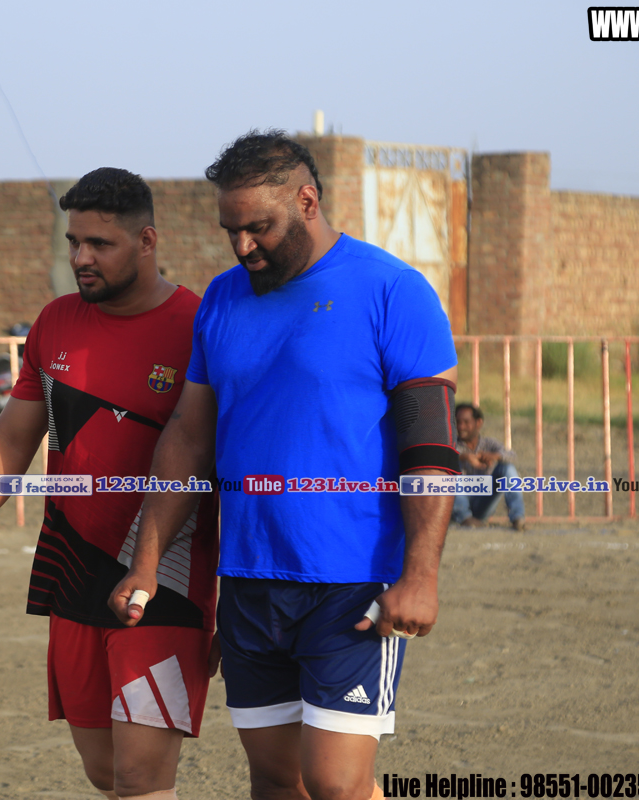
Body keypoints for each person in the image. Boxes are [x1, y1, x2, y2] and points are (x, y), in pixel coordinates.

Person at [109, 131, 460, 800]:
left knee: (336, 783)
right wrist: (146, 561)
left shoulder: (392, 289)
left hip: (352, 580)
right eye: (231, 230)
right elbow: (188, 436)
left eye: (258, 228)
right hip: (248, 579)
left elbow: (430, 444)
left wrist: (421, 575)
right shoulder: (223, 298)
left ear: (307, 201)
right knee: (275, 778)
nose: (243, 246)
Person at [0, 168, 219, 800]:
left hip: (166, 574)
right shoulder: (54, 322)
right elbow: (12, 438)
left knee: (141, 775)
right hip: (72, 567)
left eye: (99, 244)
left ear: (147, 241)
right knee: (103, 772)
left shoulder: (199, 325)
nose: (80, 257)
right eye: (73, 242)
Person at [451, 403, 526, 531]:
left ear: (478, 422)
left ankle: (518, 518)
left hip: (483, 501)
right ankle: (464, 518)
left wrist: (495, 456)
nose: (461, 427)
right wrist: (464, 457)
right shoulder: (451, 444)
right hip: (458, 503)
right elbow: (440, 457)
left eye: (466, 422)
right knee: (449, 468)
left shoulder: (489, 444)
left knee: (507, 468)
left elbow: (512, 455)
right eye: (458, 422)